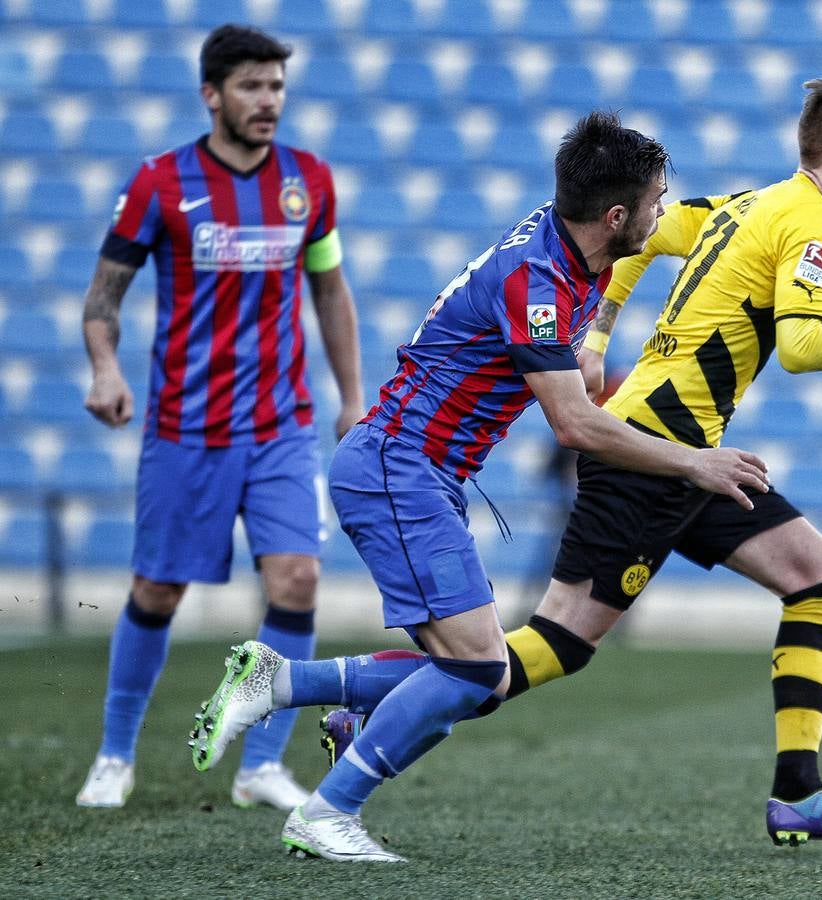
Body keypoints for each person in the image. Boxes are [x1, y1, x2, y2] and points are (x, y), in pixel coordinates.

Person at [321, 75, 822, 849]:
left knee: (817, 577)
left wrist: (599, 334)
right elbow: (801, 348)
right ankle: (365, 704)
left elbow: (641, 238)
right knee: (551, 645)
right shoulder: (815, 228)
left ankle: (797, 790)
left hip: (688, 449)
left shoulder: (745, 204)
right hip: (660, 453)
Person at [188, 111, 771, 863]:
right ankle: (326, 810)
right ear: (617, 215)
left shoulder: (568, 246)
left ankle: (280, 681)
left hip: (416, 471)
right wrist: (695, 462)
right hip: (400, 470)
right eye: (658, 200)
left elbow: (575, 338)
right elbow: (574, 426)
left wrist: (587, 351)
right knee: (476, 670)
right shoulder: (539, 278)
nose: (664, 213)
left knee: (479, 675)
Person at [74, 23, 364, 811]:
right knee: (159, 591)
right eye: (251, 86)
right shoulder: (159, 182)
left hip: (280, 425)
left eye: (276, 86)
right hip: (185, 428)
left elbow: (329, 290)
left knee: (298, 580)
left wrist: (352, 396)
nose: (268, 100)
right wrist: (104, 369)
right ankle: (114, 753)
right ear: (212, 94)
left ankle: (262, 764)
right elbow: (104, 298)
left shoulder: (309, 182)